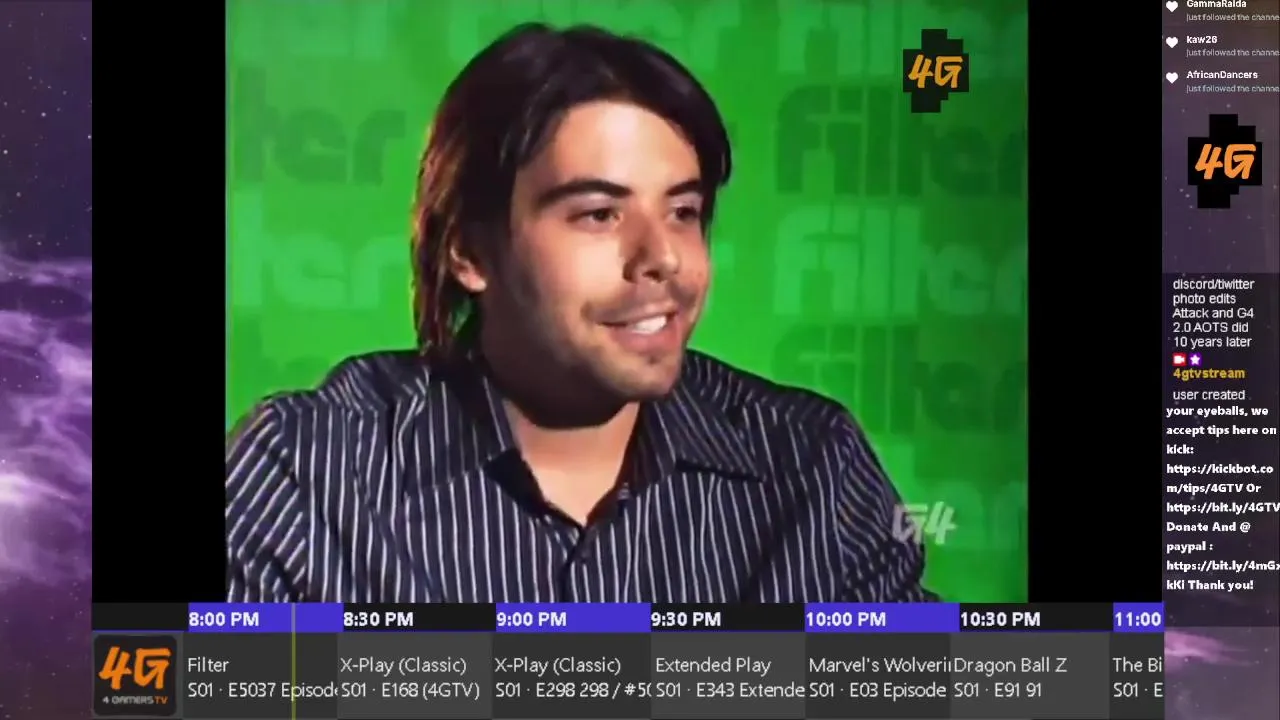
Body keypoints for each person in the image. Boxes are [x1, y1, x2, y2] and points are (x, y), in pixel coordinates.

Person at [226, 23, 935, 604]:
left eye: (683, 212)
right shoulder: (308, 473)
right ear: (468, 249)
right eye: (599, 214)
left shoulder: (812, 468)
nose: (662, 258)